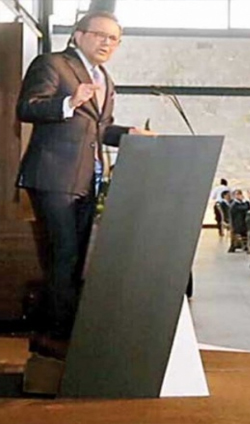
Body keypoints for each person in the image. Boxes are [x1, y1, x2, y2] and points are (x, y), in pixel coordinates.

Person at [15, 11, 153, 359]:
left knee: (75, 260)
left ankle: (55, 331)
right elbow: (27, 108)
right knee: (64, 254)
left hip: (86, 179)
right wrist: (68, 102)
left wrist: (129, 134)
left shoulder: (104, 78)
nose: (107, 43)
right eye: (100, 35)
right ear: (78, 35)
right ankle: (57, 335)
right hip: (53, 175)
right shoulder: (52, 64)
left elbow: (99, 129)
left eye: (114, 39)